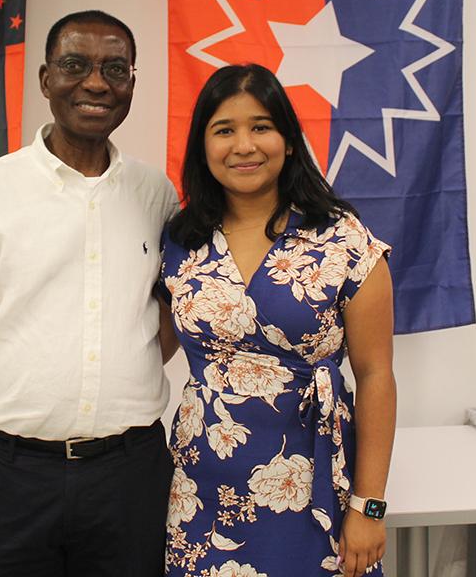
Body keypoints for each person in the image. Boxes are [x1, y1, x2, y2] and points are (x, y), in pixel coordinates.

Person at [0, 10, 179, 577]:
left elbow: (172, 314)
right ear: (45, 79)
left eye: (115, 69)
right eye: (75, 66)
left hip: (130, 478)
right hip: (11, 481)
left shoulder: (156, 195)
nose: (96, 83)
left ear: (132, 82)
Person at [158, 64, 396, 577]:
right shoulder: (180, 242)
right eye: (224, 130)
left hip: (315, 484)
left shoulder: (342, 239)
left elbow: (376, 375)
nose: (244, 145)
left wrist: (369, 505)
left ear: (288, 141)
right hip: (203, 488)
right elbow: (147, 349)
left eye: (261, 127)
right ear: (203, 146)